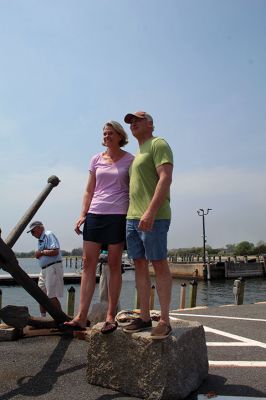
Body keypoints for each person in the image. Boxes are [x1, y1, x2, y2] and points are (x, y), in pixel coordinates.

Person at [64, 121, 134, 333]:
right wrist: (82, 214)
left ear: (120, 135)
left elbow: (134, 189)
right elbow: (89, 190)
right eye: (104, 133)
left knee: (113, 264)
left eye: (110, 133)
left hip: (118, 214)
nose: (106, 136)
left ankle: (110, 316)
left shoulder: (130, 159)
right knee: (87, 263)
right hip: (95, 213)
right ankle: (81, 316)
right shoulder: (96, 159)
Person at [122, 111, 173, 339]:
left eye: (137, 120)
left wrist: (151, 211)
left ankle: (164, 319)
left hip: (154, 216)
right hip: (132, 218)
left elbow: (165, 178)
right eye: (130, 121)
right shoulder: (136, 154)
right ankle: (144, 316)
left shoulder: (158, 144)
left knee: (159, 264)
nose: (133, 124)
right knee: (140, 265)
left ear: (150, 124)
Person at [27, 221, 64, 317]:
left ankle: (61, 320)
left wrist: (41, 253)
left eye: (33, 232)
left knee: (51, 295)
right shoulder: (40, 240)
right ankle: (42, 319)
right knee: (40, 295)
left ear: (39, 228)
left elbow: (55, 251)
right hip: (44, 270)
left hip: (52, 267)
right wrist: (39, 255)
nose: (32, 234)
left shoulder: (48, 235)